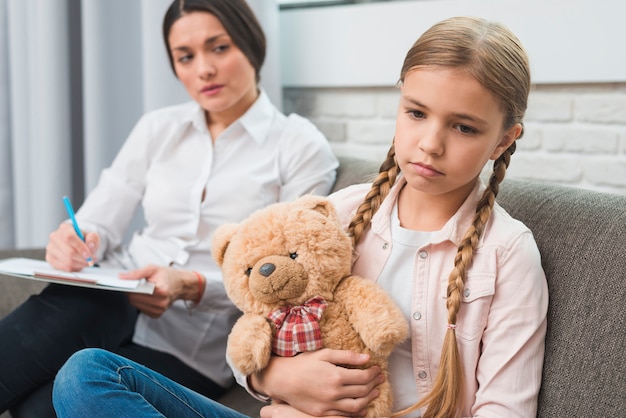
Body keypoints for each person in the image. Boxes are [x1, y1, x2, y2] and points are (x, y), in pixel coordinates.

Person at [51, 15, 548, 418]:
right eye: (416, 113)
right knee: (86, 375)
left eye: (463, 127)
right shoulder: (335, 215)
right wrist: (277, 379)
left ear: (503, 141)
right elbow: (249, 334)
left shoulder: (506, 255)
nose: (430, 143)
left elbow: (504, 409)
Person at [0, 0, 338, 416]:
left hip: (194, 346)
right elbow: (99, 218)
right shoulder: (158, 128)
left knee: (38, 408)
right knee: (48, 328)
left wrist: (192, 284)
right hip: (109, 300)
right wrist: (78, 237)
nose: (204, 70)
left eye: (219, 48)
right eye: (185, 56)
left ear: (252, 44)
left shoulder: (299, 146)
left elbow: (295, 278)